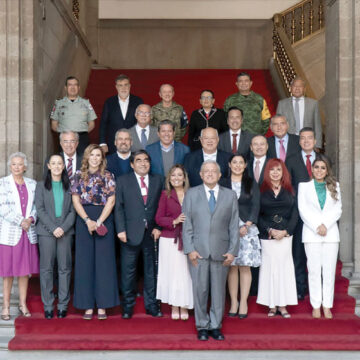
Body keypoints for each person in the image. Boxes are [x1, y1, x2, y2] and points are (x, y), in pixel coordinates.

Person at [183, 160, 239, 341]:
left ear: (219, 175)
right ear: (200, 175)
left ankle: (215, 326)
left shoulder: (230, 196)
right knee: (200, 291)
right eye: (205, 171)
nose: (209, 174)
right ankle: (202, 326)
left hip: (221, 251)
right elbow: (187, 225)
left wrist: (233, 251)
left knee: (218, 292)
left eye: (213, 171)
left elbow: (233, 226)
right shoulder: (191, 194)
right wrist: (190, 249)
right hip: (197, 252)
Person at [71, 144, 119, 320]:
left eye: (98, 155)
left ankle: (103, 305)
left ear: (102, 158)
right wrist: (87, 221)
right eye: (92, 155)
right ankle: (87, 305)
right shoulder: (78, 175)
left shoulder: (108, 176)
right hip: (84, 220)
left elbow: (111, 201)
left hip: (103, 218)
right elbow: (75, 201)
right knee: (85, 263)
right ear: (87, 157)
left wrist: (98, 222)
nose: (95, 158)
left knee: (104, 264)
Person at [115, 150, 164, 319]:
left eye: (146, 160)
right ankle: (127, 306)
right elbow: (118, 207)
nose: (143, 163)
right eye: (138, 160)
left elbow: (161, 206)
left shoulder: (158, 180)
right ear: (132, 164)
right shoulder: (122, 181)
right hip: (129, 233)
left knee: (151, 271)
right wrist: (120, 229)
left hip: (152, 233)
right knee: (128, 272)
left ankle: (152, 305)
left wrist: (159, 226)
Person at [298, 155, 342, 319]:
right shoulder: (304, 186)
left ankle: (327, 305)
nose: (319, 170)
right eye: (316, 167)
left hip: (330, 234)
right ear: (312, 169)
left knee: (329, 271)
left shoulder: (335, 186)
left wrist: (326, 225)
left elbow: (338, 210)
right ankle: (316, 305)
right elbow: (303, 209)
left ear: (327, 170)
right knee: (314, 271)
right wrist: (317, 226)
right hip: (311, 233)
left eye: (323, 168)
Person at [220, 154, 260, 318]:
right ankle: (233, 302)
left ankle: (243, 301)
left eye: (240, 163)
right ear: (229, 165)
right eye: (234, 162)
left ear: (245, 165)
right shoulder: (222, 183)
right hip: (227, 230)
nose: (237, 165)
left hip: (247, 231)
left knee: (244, 267)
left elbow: (256, 205)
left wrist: (247, 224)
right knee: (231, 267)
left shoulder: (251, 183)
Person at [256, 159, 298, 318]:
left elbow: (295, 213)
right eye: (272, 169)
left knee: (284, 270)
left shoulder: (290, 190)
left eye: (278, 169)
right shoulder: (261, 191)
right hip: (267, 237)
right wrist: (269, 230)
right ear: (267, 172)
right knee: (269, 270)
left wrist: (286, 231)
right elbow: (258, 214)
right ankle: (272, 305)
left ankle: (283, 305)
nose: (275, 172)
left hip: (286, 236)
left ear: (283, 172)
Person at [35, 154, 76, 319]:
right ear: (48, 166)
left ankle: (62, 305)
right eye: (54, 163)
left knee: (65, 268)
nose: (57, 166)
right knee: (46, 269)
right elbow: (40, 209)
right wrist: (53, 228)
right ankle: (48, 305)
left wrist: (63, 228)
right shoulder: (41, 186)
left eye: (60, 163)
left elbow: (74, 210)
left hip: (65, 232)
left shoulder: (70, 186)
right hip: (46, 232)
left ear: (64, 166)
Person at [0, 152, 38, 321]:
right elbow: (3, 208)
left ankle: (22, 304)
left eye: (20, 164)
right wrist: (20, 221)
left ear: (25, 167)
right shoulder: (2, 183)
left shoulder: (32, 184)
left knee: (24, 272)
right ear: (10, 166)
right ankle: (6, 306)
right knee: (7, 272)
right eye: (14, 164)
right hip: (10, 233)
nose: (17, 167)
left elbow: (37, 206)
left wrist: (30, 219)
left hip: (27, 233)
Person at [155, 165, 193, 320]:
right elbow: (158, 218)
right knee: (171, 274)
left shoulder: (192, 194)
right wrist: (174, 221)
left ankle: (183, 305)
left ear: (184, 177)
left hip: (189, 239)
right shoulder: (165, 194)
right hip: (169, 239)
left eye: (179, 175)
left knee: (185, 274)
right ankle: (174, 305)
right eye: (173, 176)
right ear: (169, 179)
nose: (176, 178)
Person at [286, 127, 317, 300]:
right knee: (297, 253)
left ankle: (315, 289)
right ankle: (299, 288)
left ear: (315, 141)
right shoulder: (291, 160)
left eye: (309, 138)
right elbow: (288, 186)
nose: (306, 141)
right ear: (299, 142)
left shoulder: (322, 159)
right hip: (298, 214)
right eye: (303, 138)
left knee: (315, 255)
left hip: (317, 215)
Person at [50, 76, 97, 154]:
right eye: (70, 85)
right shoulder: (59, 103)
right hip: (65, 139)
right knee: (65, 162)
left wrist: (82, 132)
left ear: (78, 87)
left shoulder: (86, 103)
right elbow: (54, 124)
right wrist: (64, 135)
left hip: (82, 138)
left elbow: (92, 124)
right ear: (65, 87)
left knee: (83, 162)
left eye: (75, 85)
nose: (72, 87)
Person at [99, 74, 144, 154]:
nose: (123, 88)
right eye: (120, 85)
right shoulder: (109, 102)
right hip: (113, 144)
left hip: (133, 144)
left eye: (125, 85)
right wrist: (102, 143)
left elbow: (142, 122)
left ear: (130, 86)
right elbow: (103, 123)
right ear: (116, 87)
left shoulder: (138, 101)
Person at [276, 77, 322, 149]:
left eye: (300, 86)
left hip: (307, 141)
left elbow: (317, 125)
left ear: (304, 89)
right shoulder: (282, 104)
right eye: (294, 86)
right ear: (291, 88)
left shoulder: (313, 103)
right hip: (288, 142)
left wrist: (317, 145)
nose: (297, 88)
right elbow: (277, 125)